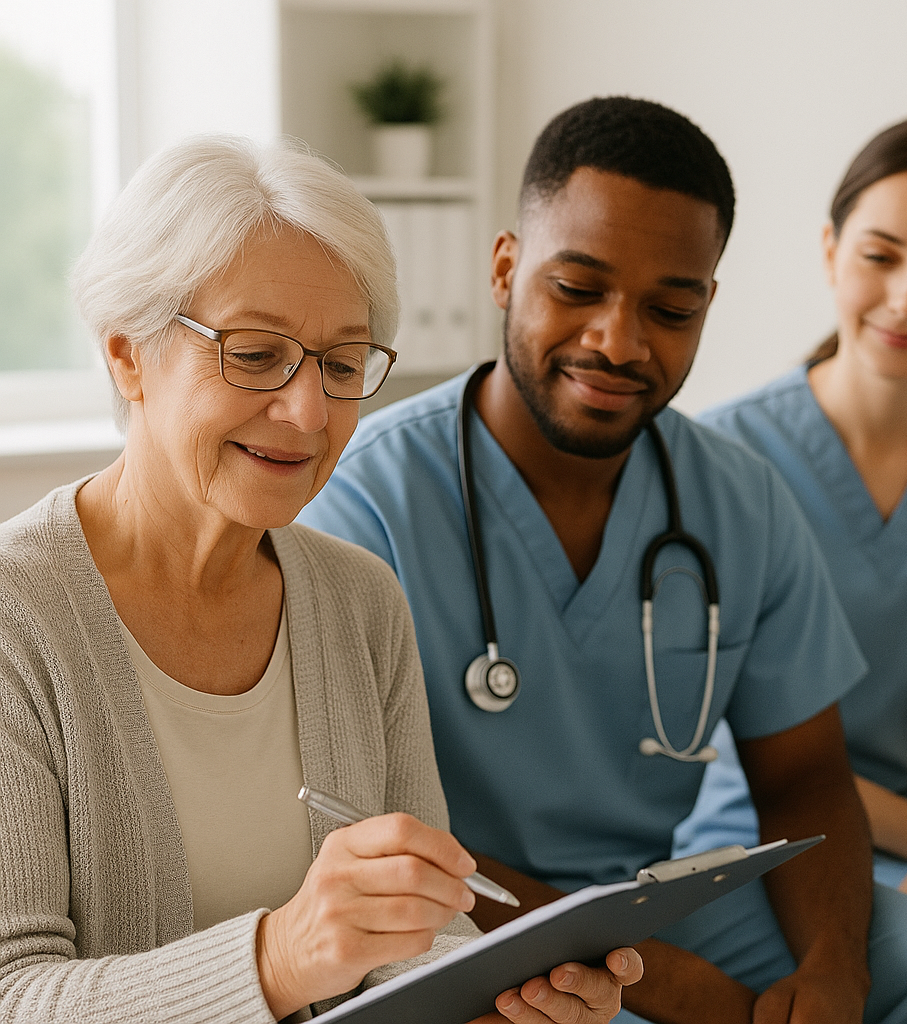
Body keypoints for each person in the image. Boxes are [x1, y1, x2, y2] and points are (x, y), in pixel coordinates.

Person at [300, 97, 907, 1022]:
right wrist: (670, 982)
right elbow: (363, 832)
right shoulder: (369, 500)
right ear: (506, 268)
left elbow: (803, 774)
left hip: (655, 894)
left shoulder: (740, 500)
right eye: (577, 288)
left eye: (669, 307)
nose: (617, 340)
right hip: (453, 920)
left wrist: (837, 967)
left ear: (706, 306)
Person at [0, 135, 643, 1024]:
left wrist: (496, 1005)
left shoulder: (360, 600)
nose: (307, 413)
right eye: (256, 354)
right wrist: (280, 956)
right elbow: (12, 995)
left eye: (342, 367)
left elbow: (419, 936)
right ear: (126, 356)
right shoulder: (16, 617)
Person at [672, 115, 907, 1016]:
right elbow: (741, 751)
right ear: (830, 251)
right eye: (881, 256)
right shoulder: (726, 461)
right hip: (769, 834)